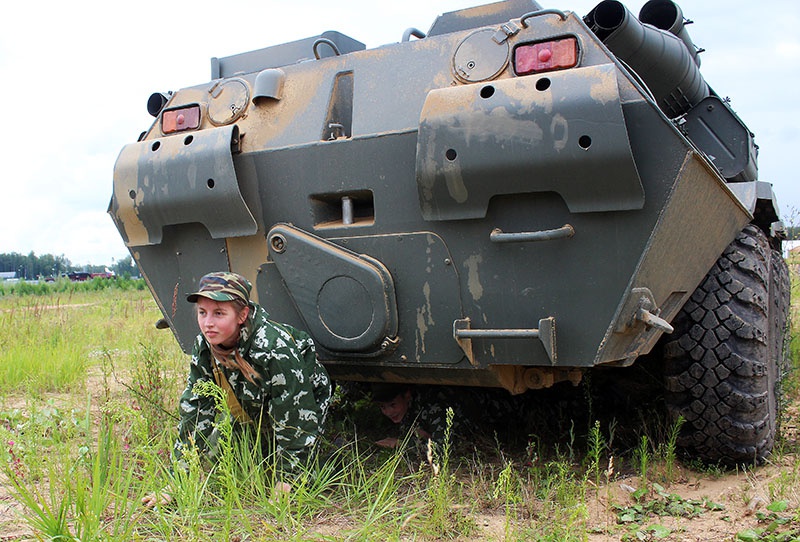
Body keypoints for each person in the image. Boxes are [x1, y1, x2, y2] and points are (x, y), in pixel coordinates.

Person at [143, 272, 332, 507]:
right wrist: (176, 481)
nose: (208, 323)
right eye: (202, 313)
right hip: (251, 405)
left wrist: (287, 482)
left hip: (301, 403)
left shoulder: (274, 348)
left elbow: (295, 419)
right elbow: (196, 410)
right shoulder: (205, 344)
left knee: (296, 480)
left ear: (242, 315)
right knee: (216, 461)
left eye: (219, 313)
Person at [372, 384, 525, 458]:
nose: (388, 412)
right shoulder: (410, 408)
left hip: (513, 408)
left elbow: (443, 450)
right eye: (382, 407)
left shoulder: (434, 408)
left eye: (393, 405)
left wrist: (400, 444)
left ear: (407, 396)